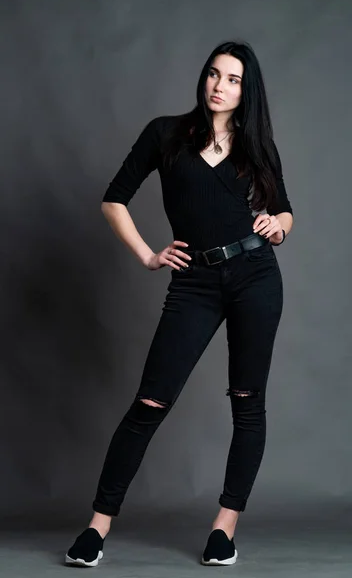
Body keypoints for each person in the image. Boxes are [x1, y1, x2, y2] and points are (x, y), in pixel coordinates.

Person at [65, 40, 294, 568]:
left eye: (233, 79)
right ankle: (96, 529)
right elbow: (113, 197)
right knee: (150, 402)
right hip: (194, 283)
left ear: (246, 90)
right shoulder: (166, 133)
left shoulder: (257, 144)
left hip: (256, 276)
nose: (219, 86)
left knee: (247, 402)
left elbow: (285, 213)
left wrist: (276, 227)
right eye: (214, 74)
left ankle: (224, 528)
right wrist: (148, 255)